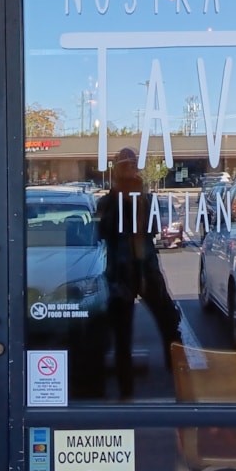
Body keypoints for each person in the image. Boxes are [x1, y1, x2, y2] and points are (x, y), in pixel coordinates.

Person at [96, 148, 182, 399]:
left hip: (145, 269)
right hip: (122, 272)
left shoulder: (145, 199)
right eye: (124, 166)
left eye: (131, 165)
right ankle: (126, 395)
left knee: (169, 323)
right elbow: (103, 232)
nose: (129, 171)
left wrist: (137, 200)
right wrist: (121, 198)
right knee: (123, 335)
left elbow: (151, 231)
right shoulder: (108, 202)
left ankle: (180, 383)